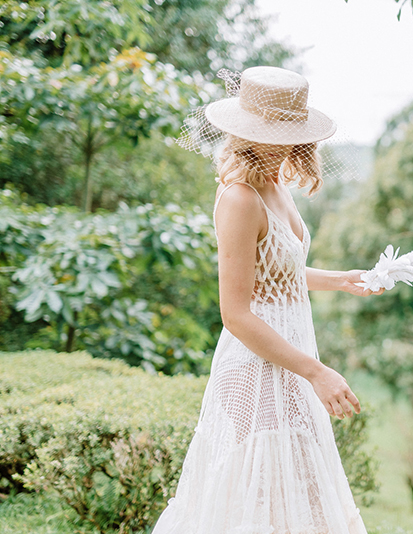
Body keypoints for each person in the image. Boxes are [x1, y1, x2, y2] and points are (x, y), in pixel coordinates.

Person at [150, 66, 381, 534]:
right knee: (257, 499)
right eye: (270, 132)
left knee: (296, 499)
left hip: (291, 363)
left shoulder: (275, 184)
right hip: (256, 368)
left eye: (289, 133)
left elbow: (278, 276)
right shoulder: (240, 198)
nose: (279, 144)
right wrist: (317, 372)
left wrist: (343, 280)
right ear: (245, 130)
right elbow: (235, 314)